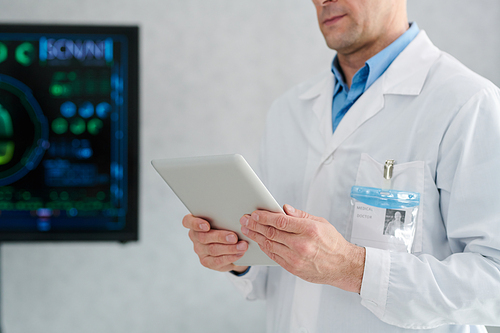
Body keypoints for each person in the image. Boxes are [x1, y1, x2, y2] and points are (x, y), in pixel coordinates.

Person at [182, 0, 500, 331]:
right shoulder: (288, 111)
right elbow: (270, 278)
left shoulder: (468, 104)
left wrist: (352, 268)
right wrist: (237, 256)